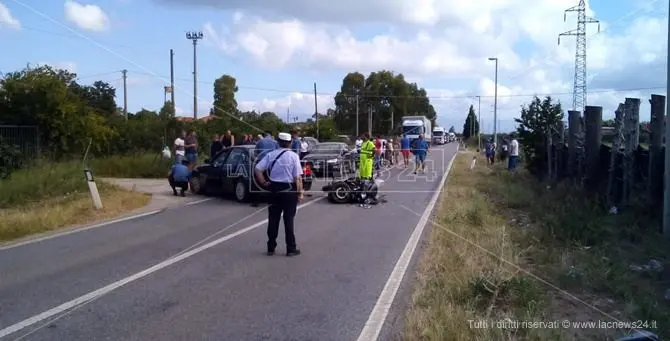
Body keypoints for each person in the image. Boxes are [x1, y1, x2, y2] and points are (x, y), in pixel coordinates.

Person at [254, 132, 304, 257]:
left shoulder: (271, 155)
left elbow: (258, 169)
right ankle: (290, 249)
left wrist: (264, 183)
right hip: (288, 190)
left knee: (273, 219)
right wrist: (300, 193)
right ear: (290, 143)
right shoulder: (293, 156)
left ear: (278, 142)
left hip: (274, 189)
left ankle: (271, 247)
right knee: (288, 220)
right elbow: (297, 177)